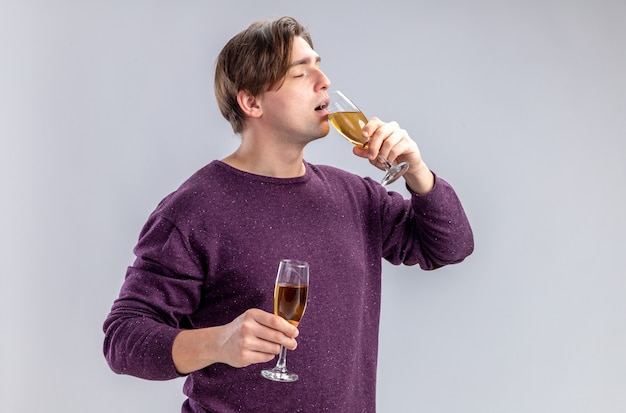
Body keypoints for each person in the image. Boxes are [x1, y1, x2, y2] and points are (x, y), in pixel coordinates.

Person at [103, 16, 474, 413]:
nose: (324, 80)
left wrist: (417, 173)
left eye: (318, 64)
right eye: (301, 72)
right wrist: (218, 343)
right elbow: (123, 339)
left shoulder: (355, 196)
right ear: (251, 102)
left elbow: (449, 247)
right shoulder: (196, 208)